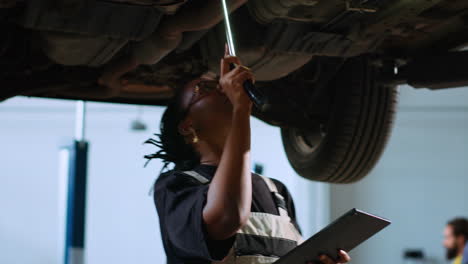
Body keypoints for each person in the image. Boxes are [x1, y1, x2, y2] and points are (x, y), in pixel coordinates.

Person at [144, 48, 351, 264]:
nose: (221, 87)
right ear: (187, 127)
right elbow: (228, 216)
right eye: (205, 87)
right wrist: (240, 107)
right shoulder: (176, 185)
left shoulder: (276, 191)